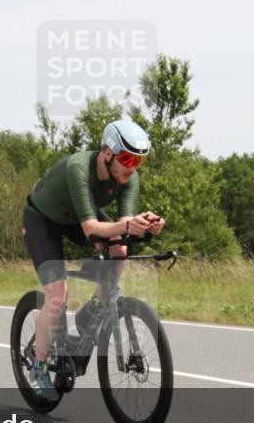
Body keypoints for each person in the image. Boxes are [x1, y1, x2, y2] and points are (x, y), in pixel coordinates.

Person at [22, 120, 165, 399]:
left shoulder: (129, 177)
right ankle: (38, 366)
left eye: (138, 160)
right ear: (107, 153)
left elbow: (123, 225)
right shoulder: (79, 168)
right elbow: (90, 228)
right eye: (126, 158)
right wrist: (127, 226)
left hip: (74, 219)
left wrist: (144, 226)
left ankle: (96, 306)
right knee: (57, 295)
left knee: (120, 249)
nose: (132, 166)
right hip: (43, 221)